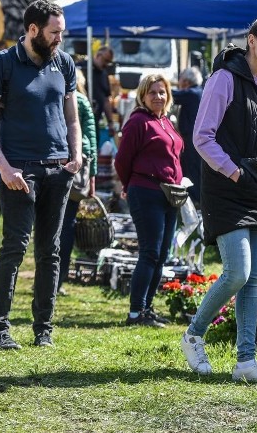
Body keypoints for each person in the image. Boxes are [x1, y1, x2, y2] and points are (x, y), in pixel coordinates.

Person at [179, 13, 257, 384]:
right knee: (237, 272)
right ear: (252, 41)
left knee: (254, 279)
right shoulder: (224, 78)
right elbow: (202, 137)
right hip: (227, 190)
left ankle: (246, 361)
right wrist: (235, 172)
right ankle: (193, 334)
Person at [0, 0, 81, 350]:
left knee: (50, 252)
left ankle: (44, 330)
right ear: (33, 30)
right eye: (54, 33)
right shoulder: (2, 65)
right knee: (14, 249)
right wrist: (5, 169)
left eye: (62, 33)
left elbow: (72, 119)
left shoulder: (64, 64)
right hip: (18, 172)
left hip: (58, 170)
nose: (59, 40)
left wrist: (76, 157)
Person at [114, 73, 184, 327]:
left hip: (170, 195)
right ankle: (135, 313)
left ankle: (147, 308)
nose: (158, 97)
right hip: (146, 191)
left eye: (162, 92)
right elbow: (122, 160)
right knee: (150, 252)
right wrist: (127, 185)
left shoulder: (165, 121)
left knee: (163, 254)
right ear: (142, 95)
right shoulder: (138, 122)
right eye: (152, 92)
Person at [58, 70, 97, 295]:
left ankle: (48, 277)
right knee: (66, 225)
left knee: (49, 224)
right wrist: (91, 176)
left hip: (53, 163)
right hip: (75, 168)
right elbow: (90, 139)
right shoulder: (81, 101)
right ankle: (59, 278)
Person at [172, 66, 204, 203]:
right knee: (194, 170)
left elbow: (172, 95)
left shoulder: (192, 93)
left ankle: (194, 201)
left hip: (192, 139)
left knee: (191, 171)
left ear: (185, 81)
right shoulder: (199, 92)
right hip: (196, 138)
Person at [91, 46, 118, 139]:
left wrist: (110, 122)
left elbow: (106, 99)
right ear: (98, 55)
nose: (106, 65)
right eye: (105, 60)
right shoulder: (83, 68)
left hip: (95, 121)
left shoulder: (104, 74)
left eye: (109, 62)